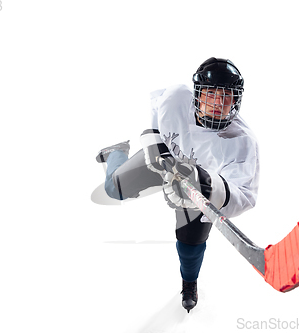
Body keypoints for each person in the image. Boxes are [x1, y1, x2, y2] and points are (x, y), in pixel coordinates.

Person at [96, 57, 260, 312]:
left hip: (198, 188)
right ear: (197, 93)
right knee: (112, 189)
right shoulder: (178, 96)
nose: (219, 102)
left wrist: (206, 186)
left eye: (227, 96)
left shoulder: (242, 142)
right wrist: (154, 144)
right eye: (211, 93)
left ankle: (189, 283)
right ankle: (117, 151)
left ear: (236, 100)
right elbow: (156, 112)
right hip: (165, 161)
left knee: (190, 243)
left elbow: (244, 196)